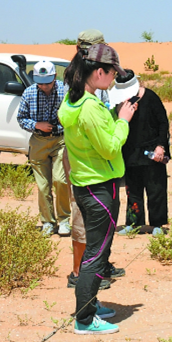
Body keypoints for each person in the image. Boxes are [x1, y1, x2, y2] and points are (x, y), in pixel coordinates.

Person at [58, 41, 137, 335]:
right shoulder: (90, 108)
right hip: (99, 188)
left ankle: (89, 304)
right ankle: (85, 319)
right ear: (99, 72)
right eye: (112, 73)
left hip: (86, 185)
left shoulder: (74, 99)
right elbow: (110, 147)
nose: (114, 78)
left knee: (96, 250)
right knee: (95, 254)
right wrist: (123, 121)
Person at [62, 30, 124, 290]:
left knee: (97, 240)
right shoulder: (82, 94)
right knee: (84, 228)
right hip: (92, 175)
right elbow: (108, 147)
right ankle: (82, 276)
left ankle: (95, 269)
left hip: (90, 169)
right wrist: (122, 121)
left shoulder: (86, 89)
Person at [112, 70, 171, 235]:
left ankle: (157, 224)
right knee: (133, 190)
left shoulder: (151, 97)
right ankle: (133, 223)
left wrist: (161, 146)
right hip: (130, 152)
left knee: (156, 189)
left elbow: (163, 123)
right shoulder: (120, 101)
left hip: (151, 152)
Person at [17, 59, 71, 237]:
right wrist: (37, 125)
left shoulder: (65, 91)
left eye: (48, 83)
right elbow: (21, 118)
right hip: (38, 141)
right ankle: (48, 222)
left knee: (61, 180)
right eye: (40, 83)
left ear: (55, 77)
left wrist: (59, 126)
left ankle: (64, 220)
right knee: (43, 186)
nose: (44, 87)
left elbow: (72, 116)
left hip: (60, 140)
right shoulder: (29, 93)